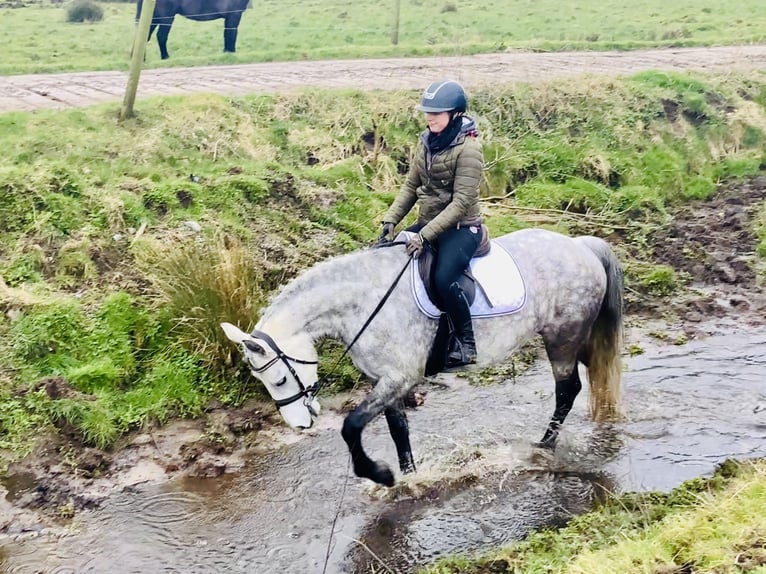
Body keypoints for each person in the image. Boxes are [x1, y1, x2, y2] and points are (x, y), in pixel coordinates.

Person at [380, 79, 484, 369]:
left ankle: (466, 343)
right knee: (384, 255)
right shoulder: (425, 141)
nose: (429, 118)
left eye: (436, 113)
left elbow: (461, 202)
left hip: (462, 228)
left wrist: (423, 235)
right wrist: (391, 219)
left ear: (455, 114)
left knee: (442, 278)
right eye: (427, 112)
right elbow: (411, 186)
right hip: (428, 223)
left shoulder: (470, 149)